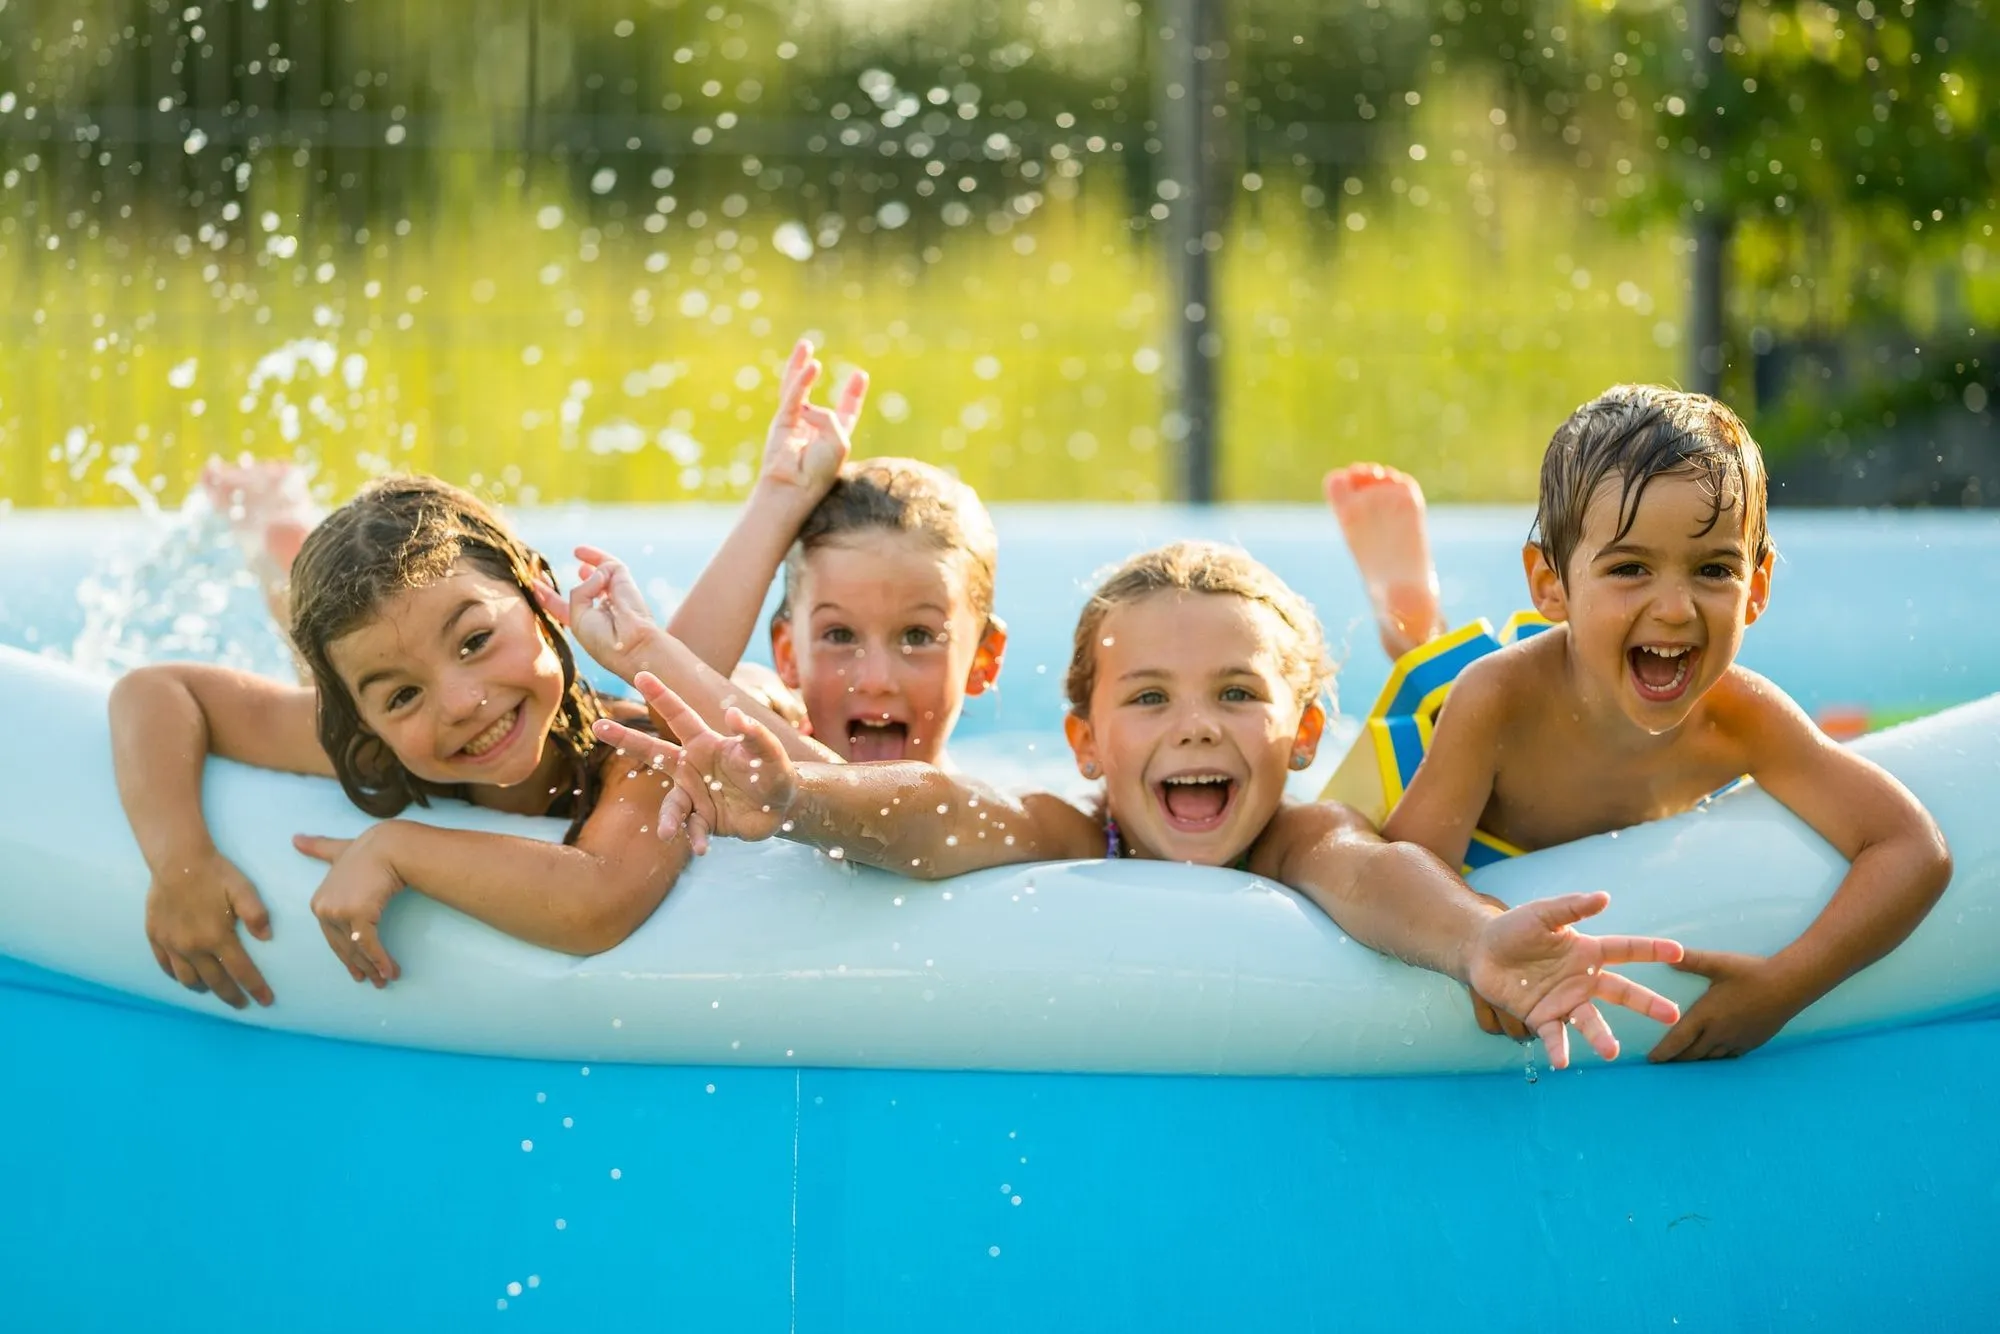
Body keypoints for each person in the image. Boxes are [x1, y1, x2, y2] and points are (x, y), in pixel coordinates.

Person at [593, 540, 1689, 1069]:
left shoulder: (1293, 838)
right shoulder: (1070, 830)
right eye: (1149, 697)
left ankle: (1413, 624)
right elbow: (942, 813)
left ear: (1304, 734)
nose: (1194, 727)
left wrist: (1474, 939)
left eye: (1237, 694)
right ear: (1085, 741)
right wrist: (799, 799)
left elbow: (1375, 872)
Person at [1324, 385, 1953, 1061]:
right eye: (1631, 568)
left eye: (1714, 568)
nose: (1676, 608)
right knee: (1426, 686)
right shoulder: (1496, 703)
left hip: (1588, 651)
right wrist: (1473, 939)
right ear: (1548, 586)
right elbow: (1406, 873)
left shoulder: (1743, 718)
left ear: (1758, 589)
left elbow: (1912, 848)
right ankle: (1410, 609)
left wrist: (1784, 987)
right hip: (1447, 729)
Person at [110, 475, 693, 1009]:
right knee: (344, 652)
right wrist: (180, 865)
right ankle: (278, 533)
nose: (462, 702)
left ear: (543, 603)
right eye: (401, 697)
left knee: (377, 649)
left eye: (475, 641)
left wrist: (398, 848)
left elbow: (599, 902)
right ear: (360, 725)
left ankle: (291, 545)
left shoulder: (636, 748)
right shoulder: (369, 746)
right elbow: (155, 691)